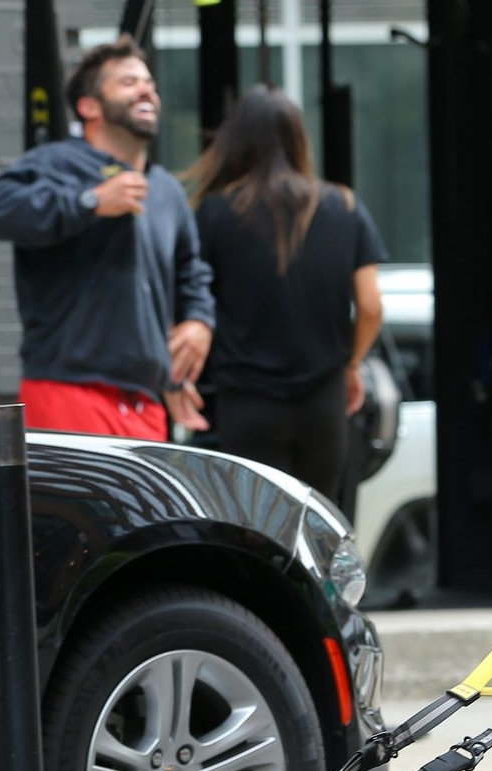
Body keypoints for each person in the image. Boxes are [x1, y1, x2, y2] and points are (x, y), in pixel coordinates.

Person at [0, 36, 214, 439]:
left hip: (147, 403)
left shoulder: (167, 190)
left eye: (149, 83)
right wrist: (90, 202)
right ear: (89, 106)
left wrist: (199, 322)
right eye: (128, 82)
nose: (146, 91)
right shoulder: (55, 164)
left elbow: (192, 272)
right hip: (68, 391)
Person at [183, 85, 385, 498]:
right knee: (317, 522)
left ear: (234, 141)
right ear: (298, 137)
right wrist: (351, 364)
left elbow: (189, 298)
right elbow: (370, 305)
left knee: (257, 526)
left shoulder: (214, 211)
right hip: (323, 399)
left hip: (246, 402)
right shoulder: (344, 205)